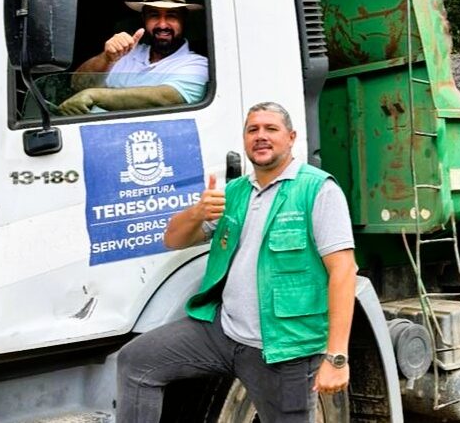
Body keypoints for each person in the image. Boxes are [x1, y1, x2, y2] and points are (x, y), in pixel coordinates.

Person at [115, 102, 357, 423]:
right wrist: (197, 213)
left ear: (291, 137)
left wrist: (336, 357)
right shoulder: (235, 192)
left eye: (271, 129)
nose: (260, 136)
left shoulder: (318, 189)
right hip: (222, 333)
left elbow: (343, 271)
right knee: (136, 362)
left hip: (283, 348)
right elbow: (172, 239)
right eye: (252, 130)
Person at [58, 0, 208, 115]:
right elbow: (76, 85)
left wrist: (94, 95)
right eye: (154, 15)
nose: (162, 25)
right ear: (144, 18)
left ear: (183, 19)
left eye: (171, 15)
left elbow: (166, 99)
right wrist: (106, 58)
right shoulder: (127, 52)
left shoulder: (197, 64)